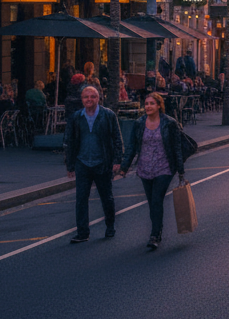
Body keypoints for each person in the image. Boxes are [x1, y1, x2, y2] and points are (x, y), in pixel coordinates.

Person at [120, 93, 185, 250]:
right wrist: (124, 167)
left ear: (159, 106)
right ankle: (158, 229)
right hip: (145, 168)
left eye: (151, 103)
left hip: (164, 167)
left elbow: (177, 148)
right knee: (152, 202)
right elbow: (132, 146)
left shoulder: (169, 123)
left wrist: (181, 171)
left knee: (157, 200)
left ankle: (155, 235)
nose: (148, 106)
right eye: (146, 103)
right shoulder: (139, 123)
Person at [64, 85, 123, 242]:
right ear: (82, 99)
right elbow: (70, 142)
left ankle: (110, 226)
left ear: (98, 98)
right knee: (81, 199)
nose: (89, 99)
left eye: (92, 97)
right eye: (86, 97)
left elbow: (117, 139)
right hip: (82, 163)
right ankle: (83, 232)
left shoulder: (108, 115)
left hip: (102, 163)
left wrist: (117, 160)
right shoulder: (76, 117)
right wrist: (70, 165)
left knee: (106, 197)